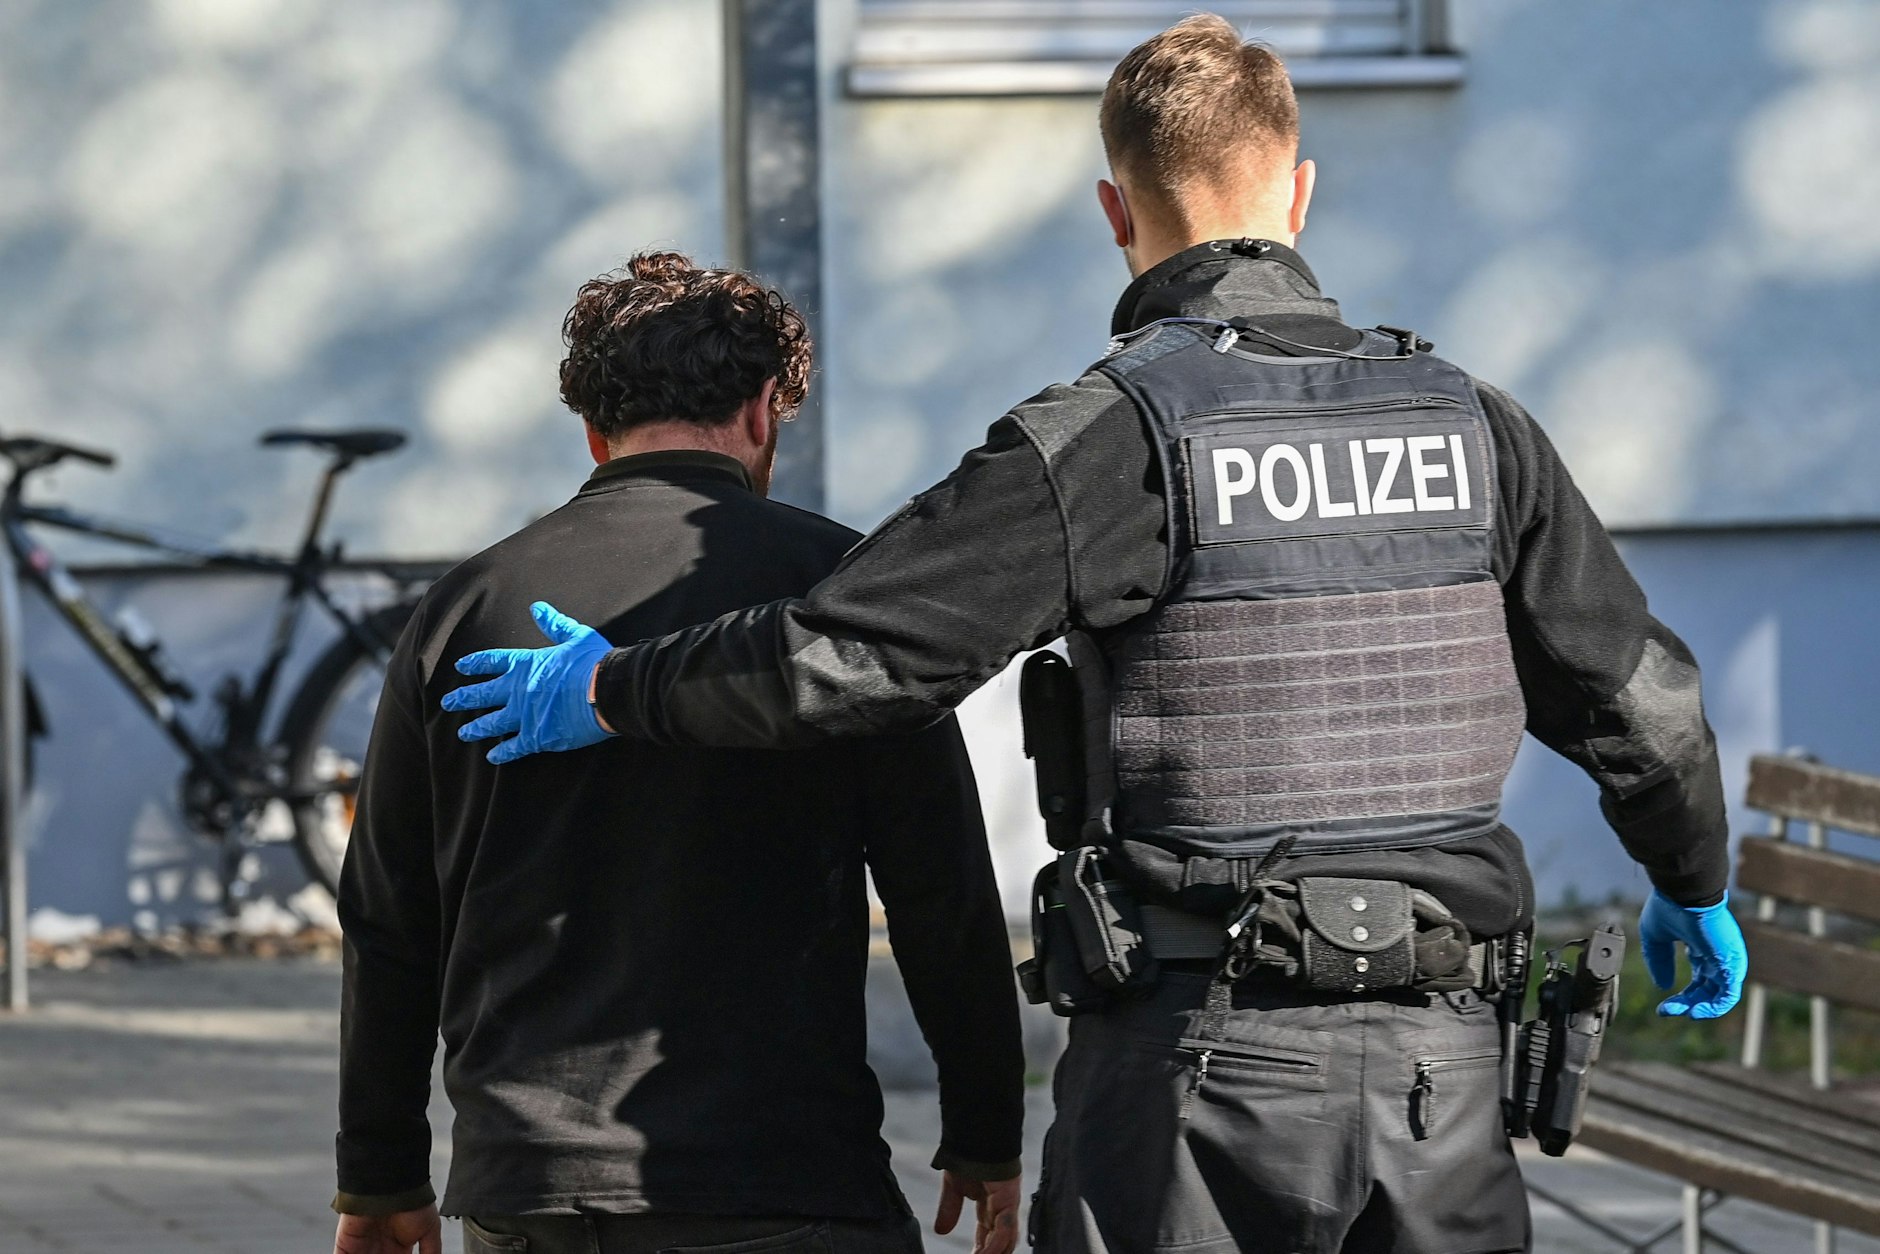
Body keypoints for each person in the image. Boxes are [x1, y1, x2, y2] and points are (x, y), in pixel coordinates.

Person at [443, 18, 1748, 1254]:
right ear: (1298, 194)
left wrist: (614, 686)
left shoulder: (1112, 435)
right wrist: (1690, 874)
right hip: (1442, 1079)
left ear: (1116, 212)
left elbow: (850, 657)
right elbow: (1642, 699)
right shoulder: (1476, 427)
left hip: (1201, 1074)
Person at [334, 253, 1025, 1254]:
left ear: (591, 429)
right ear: (761, 414)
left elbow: (389, 913)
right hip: (787, 1181)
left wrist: (379, 1174)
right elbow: (941, 893)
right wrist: (983, 1130)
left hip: (529, 1190)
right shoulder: (841, 597)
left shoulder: (466, 606)